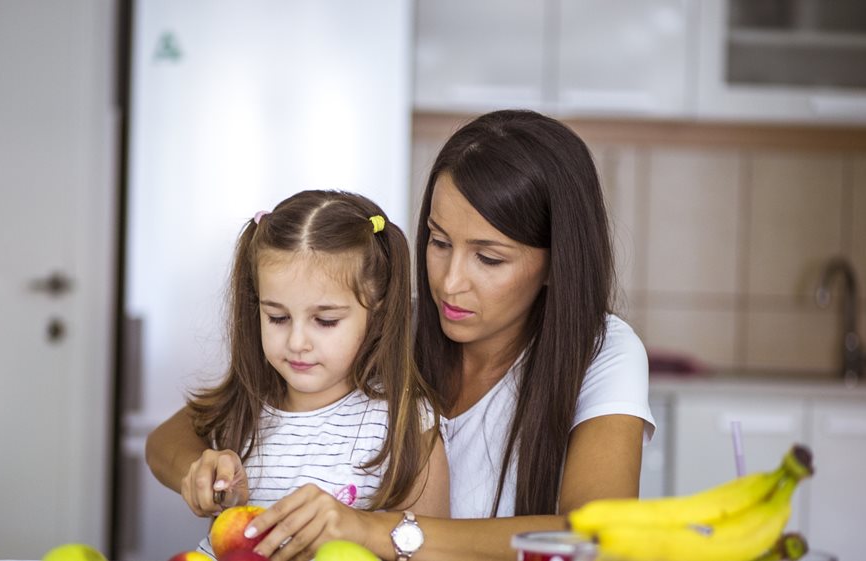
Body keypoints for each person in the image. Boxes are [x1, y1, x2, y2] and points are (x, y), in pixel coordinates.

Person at [147, 110, 655, 561]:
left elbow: (595, 539)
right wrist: (202, 471)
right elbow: (179, 433)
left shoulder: (604, 351)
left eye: (489, 257)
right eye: (438, 241)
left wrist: (375, 529)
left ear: (554, 263)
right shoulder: (381, 327)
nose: (449, 283)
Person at [151, 190, 450, 557]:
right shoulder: (246, 403)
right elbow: (159, 445)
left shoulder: (405, 422)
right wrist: (197, 470)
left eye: (325, 321)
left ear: (378, 315)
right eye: (277, 317)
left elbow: (429, 547)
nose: (296, 342)